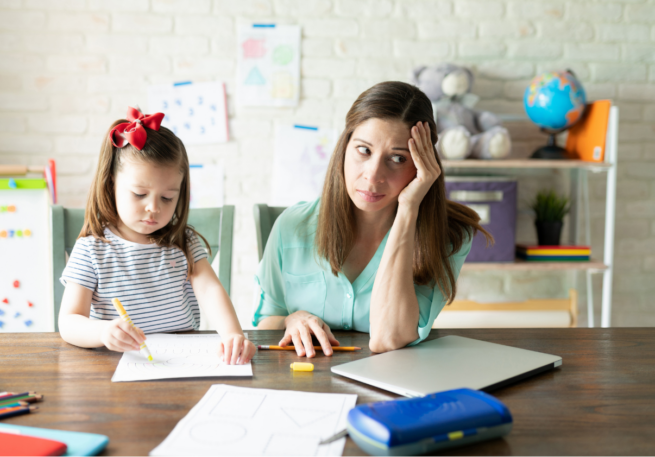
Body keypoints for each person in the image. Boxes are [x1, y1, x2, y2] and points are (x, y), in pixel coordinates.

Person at [253, 82, 491, 357]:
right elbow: (264, 323)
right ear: (344, 147)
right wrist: (291, 319)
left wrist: (409, 206)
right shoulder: (291, 225)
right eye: (364, 151)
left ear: (422, 164)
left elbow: (388, 338)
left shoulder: (448, 236)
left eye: (398, 158)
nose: (373, 174)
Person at [59, 108, 255, 365]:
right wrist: (103, 332)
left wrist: (232, 335)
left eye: (167, 197)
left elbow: (209, 290)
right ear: (111, 185)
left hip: (181, 363)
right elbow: (69, 322)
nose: (154, 208)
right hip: (114, 366)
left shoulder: (183, 242)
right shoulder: (93, 249)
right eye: (140, 194)